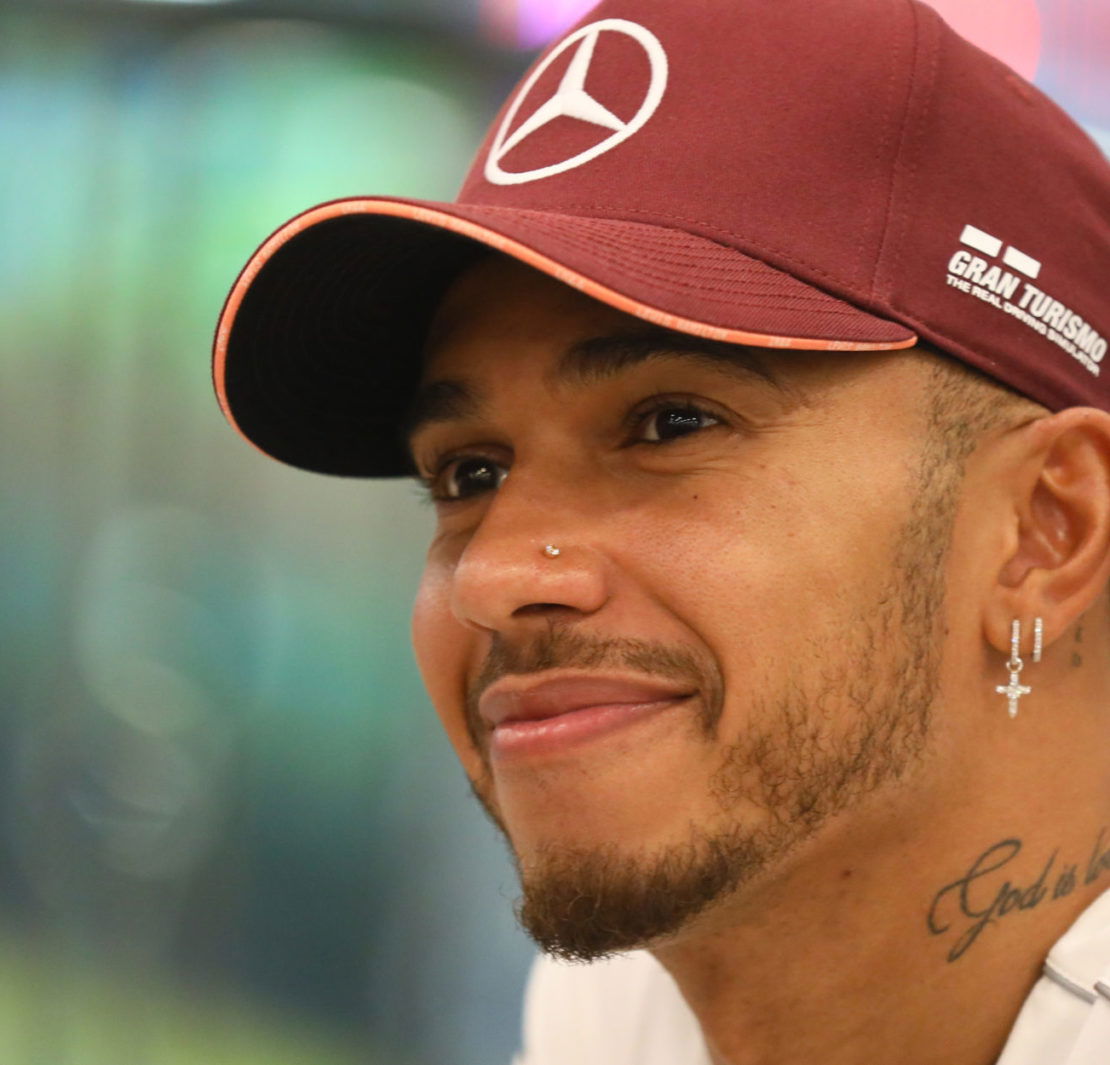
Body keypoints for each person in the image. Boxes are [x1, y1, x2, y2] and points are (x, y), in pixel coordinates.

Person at [211, 0, 1110, 1061]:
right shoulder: (612, 1010)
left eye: (671, 424)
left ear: (1044, 529)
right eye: (468, 473)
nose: (494, 575)